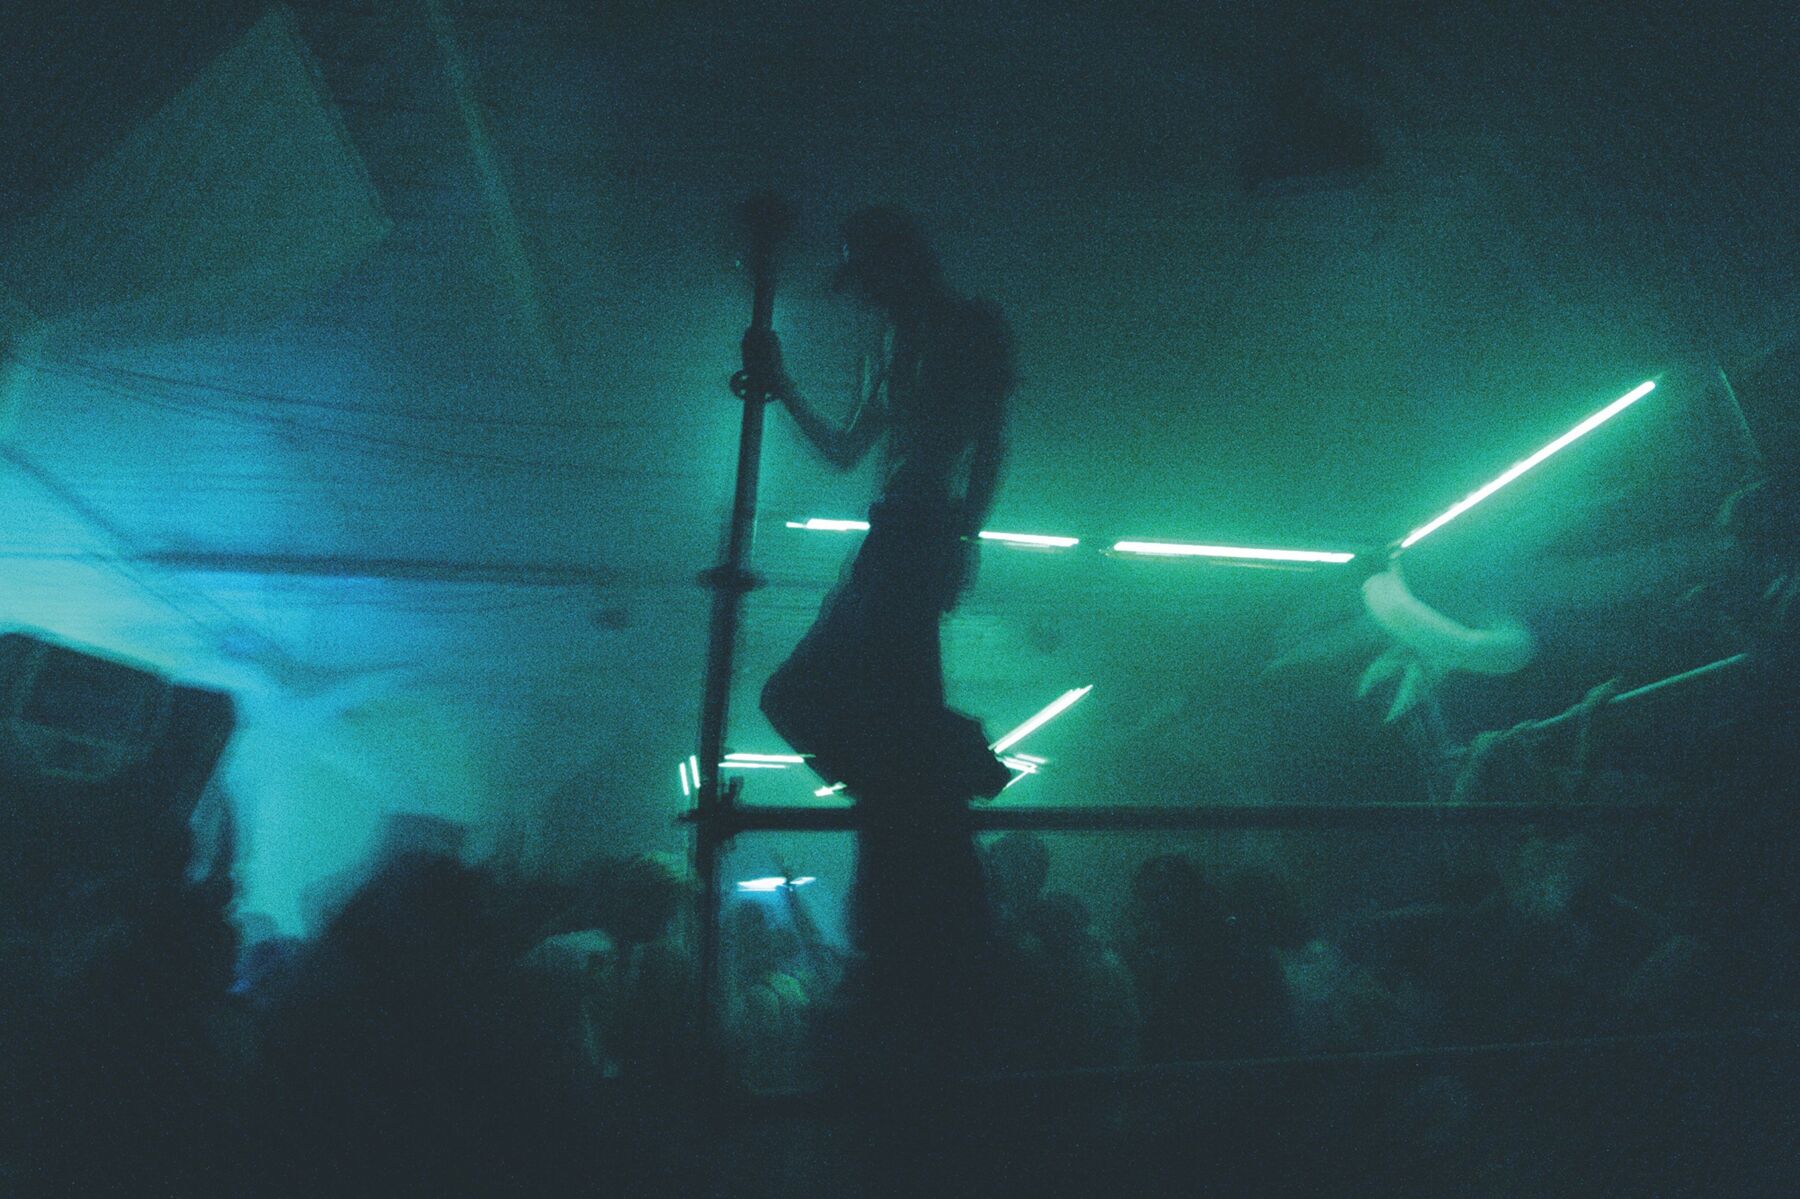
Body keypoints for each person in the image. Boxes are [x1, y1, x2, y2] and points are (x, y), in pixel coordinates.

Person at [745, 205, 1014, 802]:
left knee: (815, 694)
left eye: (867, 275)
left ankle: (933, 779)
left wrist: (962, 538)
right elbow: (848, 449)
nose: (863, 294)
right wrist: (782, 385)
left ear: (897, 264)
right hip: (906, 527)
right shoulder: (898, 341)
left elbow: (987, 444)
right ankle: (935, 779)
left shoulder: (960, 329)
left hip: (919, 529)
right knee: (868, 695)